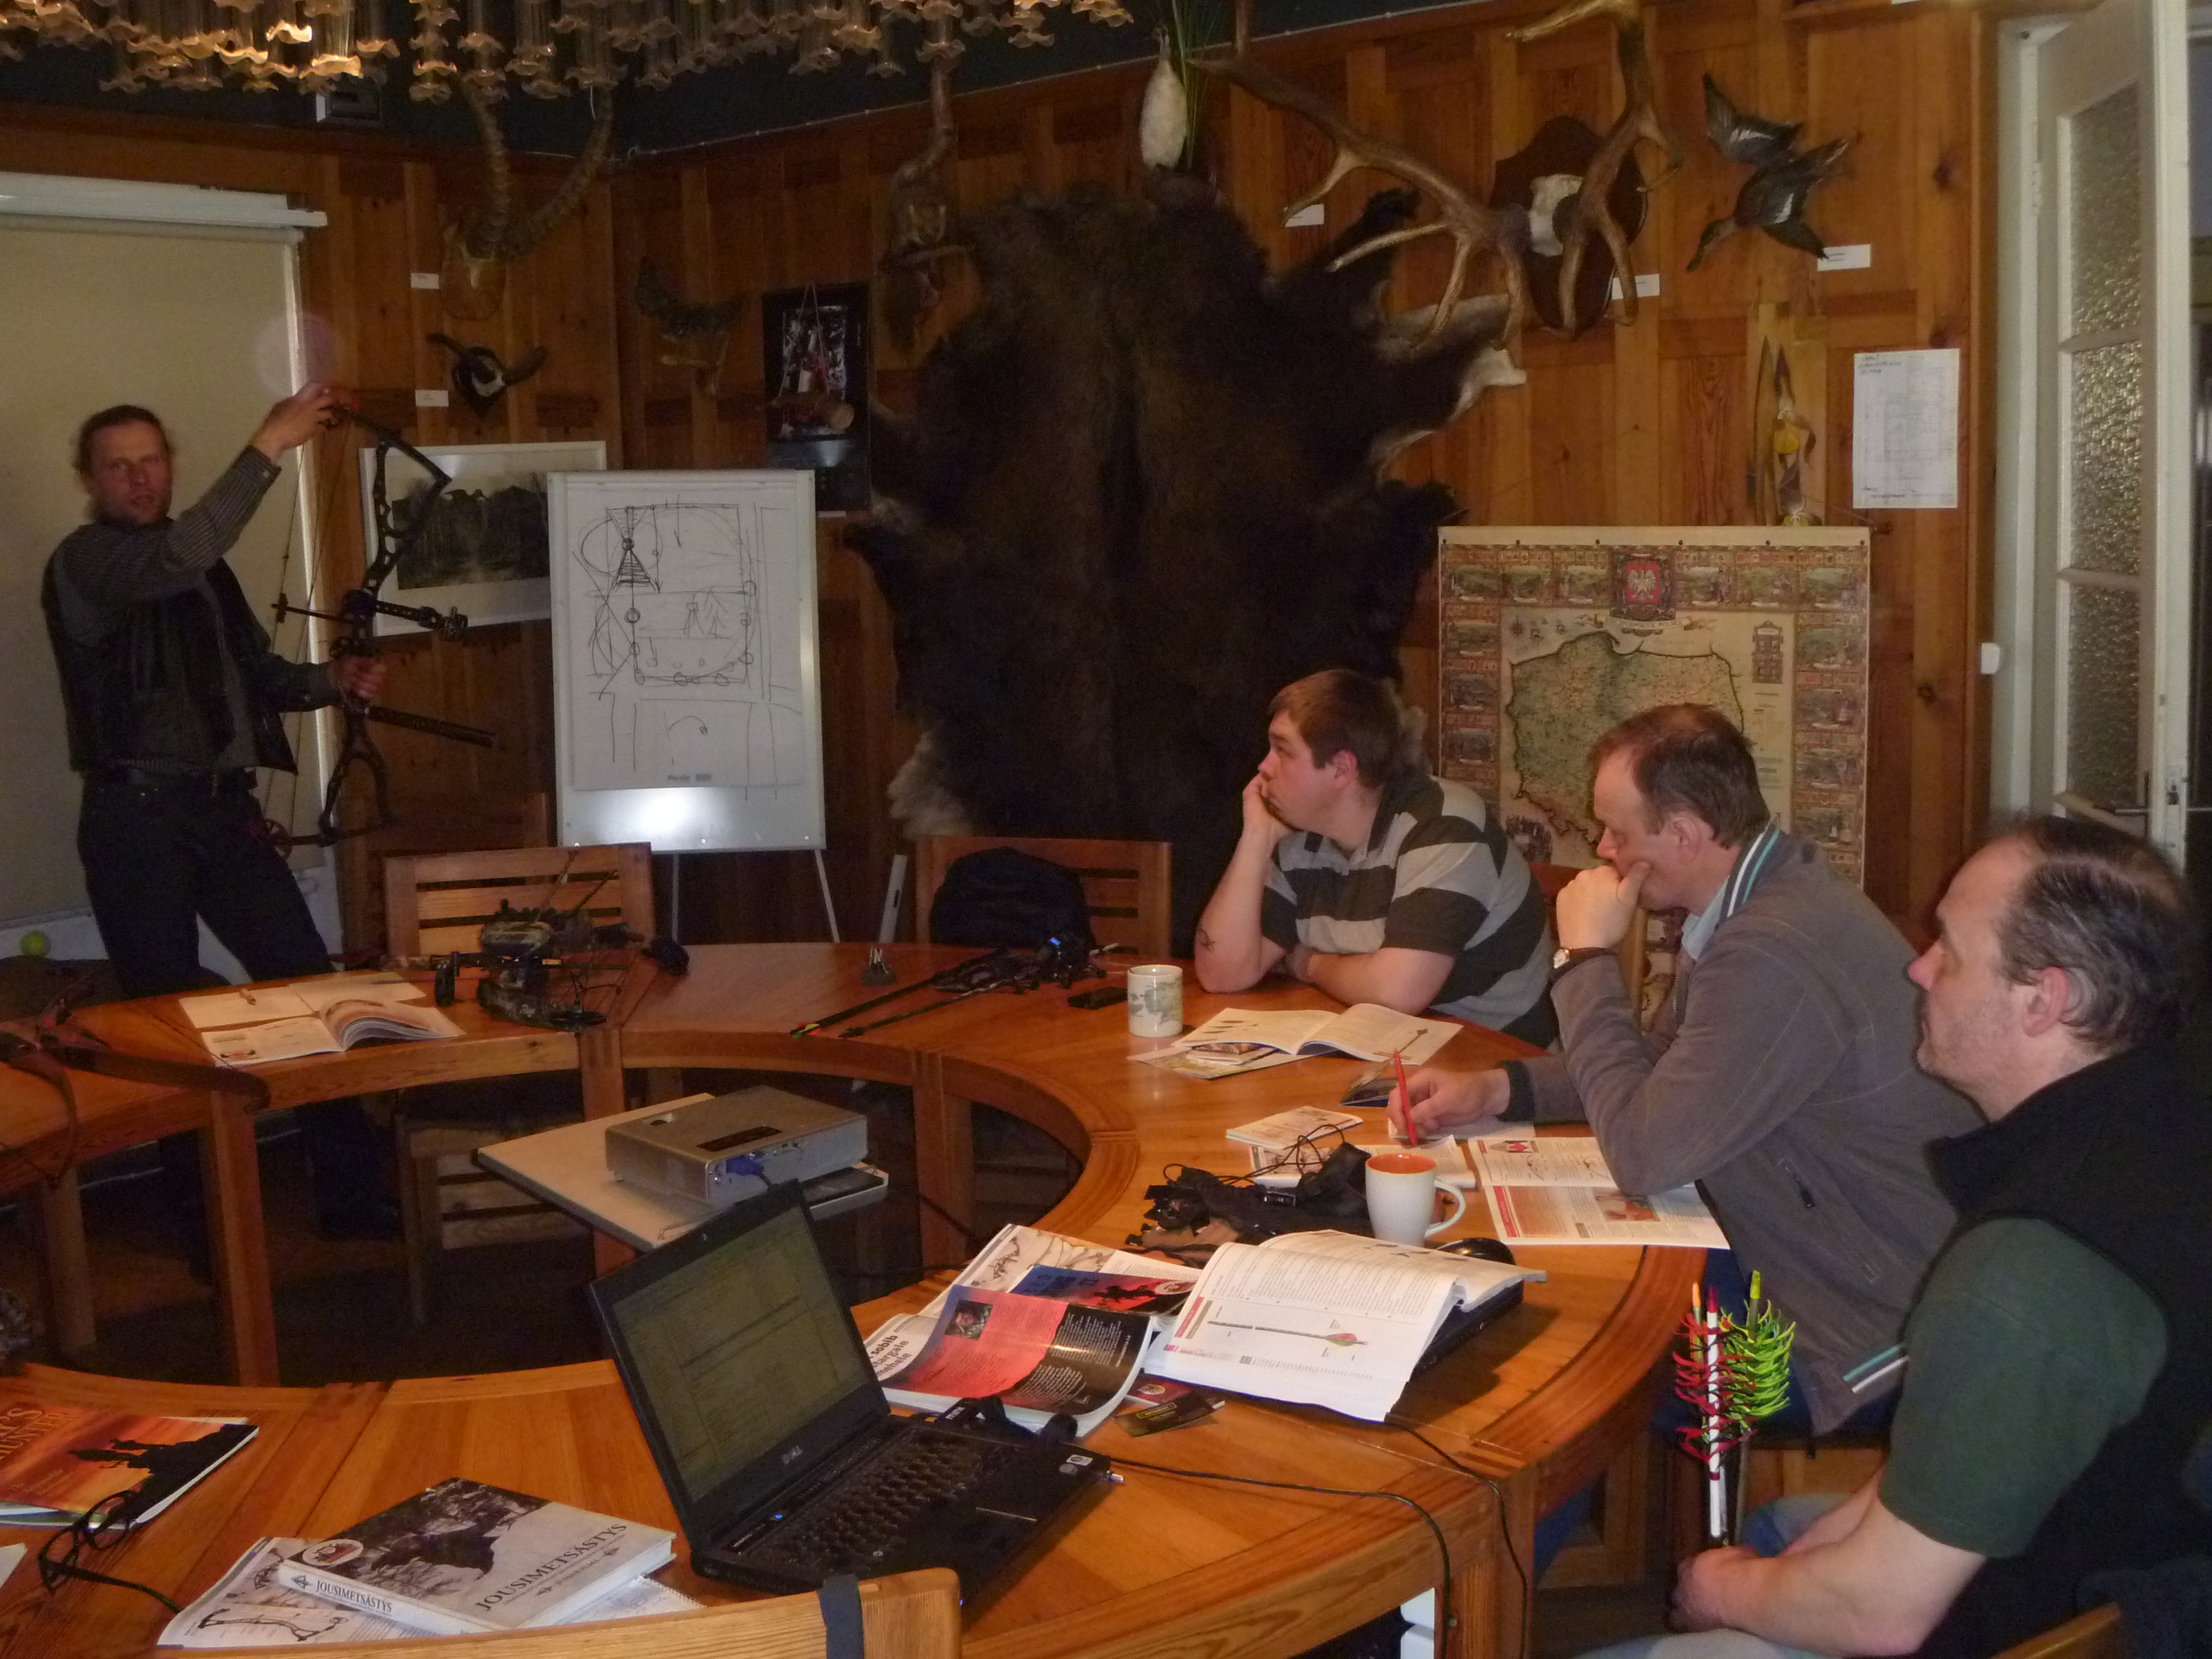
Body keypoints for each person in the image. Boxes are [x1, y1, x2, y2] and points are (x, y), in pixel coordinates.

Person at [1603, 816, 2209, 1659]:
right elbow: (1988, 1423)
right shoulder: (2164, 1120)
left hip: (2044, 1621)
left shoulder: (2029, 1269)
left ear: (2046, 1000)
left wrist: (1717, 1587)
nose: (1917, 968)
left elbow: (1878, 1615)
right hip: (2131, 1546)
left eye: (1949, 950)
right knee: (1781, 1532)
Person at [1393, 707, 1979, 1433]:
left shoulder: (1770, 949)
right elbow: (1670, 1065)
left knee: (1570, 1377)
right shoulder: (1761, 893)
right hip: (1790, 1246)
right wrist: (1498, 1088)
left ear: (1684, 834)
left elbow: (1643, 1155)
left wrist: (1584, 960)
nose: (1603, 849)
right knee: (1559, 1319)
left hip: (1861, 1327)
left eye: (1617, 831)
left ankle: (1537, 1506)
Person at [42, 389, 397, 1245]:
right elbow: (174, 557)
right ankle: (203, 1229)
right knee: (166, 1026)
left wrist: (331, 681)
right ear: (91, 481)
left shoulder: (203, 569)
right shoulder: (89, 561)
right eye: (119, 467)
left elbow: (258, 675)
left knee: (309, 989)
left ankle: (352, 1195)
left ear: (169, 465)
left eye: (151, 460)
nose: (139, 478)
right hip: (135, 821)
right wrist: (268, 443)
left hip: (219, 813)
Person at [1194, 669, 1555, 1045]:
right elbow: (1222, 974)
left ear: (1341, 768)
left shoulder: (1444, 825)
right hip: (1390, 1048)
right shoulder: (1301, 837)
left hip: (1496, 1061)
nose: (1263, 767)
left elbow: (1397, 992)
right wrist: (1256, 836)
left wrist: (1307, 962)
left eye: (1282, 751)